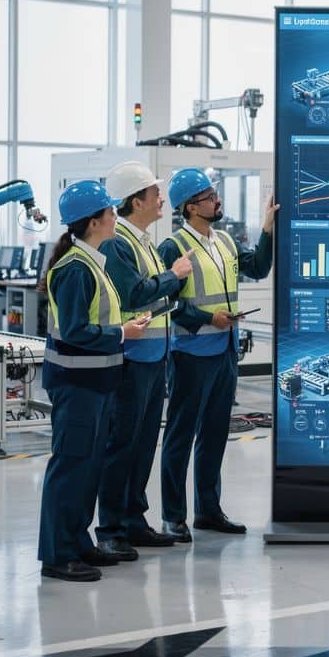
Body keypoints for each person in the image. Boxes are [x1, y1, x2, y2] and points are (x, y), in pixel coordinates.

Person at [37, 181, 150, 582]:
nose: (114, 218)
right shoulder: (74, 270)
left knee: (88, 467)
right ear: (93, 222)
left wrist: (122, 329)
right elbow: (73, 331)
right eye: (109, 213)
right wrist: (123, 333)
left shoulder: (91, 263)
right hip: (76, 384)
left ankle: (79, 543)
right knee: (70, 467)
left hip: (97, 383)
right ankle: (57, 554)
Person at [157, 168, 278, 541]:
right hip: (190, 354)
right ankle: (173, 516)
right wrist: (209, 317)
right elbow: (165, 303)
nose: (217, 200)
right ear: (191, 207)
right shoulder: (173, 248)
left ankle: (209, 510)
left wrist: (268, 228)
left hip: (224, 352)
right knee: (180, 436)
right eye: (209, 197)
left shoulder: (224, 241)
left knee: (213, 435)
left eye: (215, 194)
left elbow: (257, 267)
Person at [93, 162, 195, 560]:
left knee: (142, 446)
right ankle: (110, 528)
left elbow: (156, 297)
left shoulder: (146, 242)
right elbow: (136, 294)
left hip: (154, 358)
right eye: (155, 194)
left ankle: (134, 520)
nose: (162, 200)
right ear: (137, 200)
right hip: (132, 360)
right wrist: (173, 275)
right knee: (122, 445)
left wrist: (168, 287)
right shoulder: (119, 243)